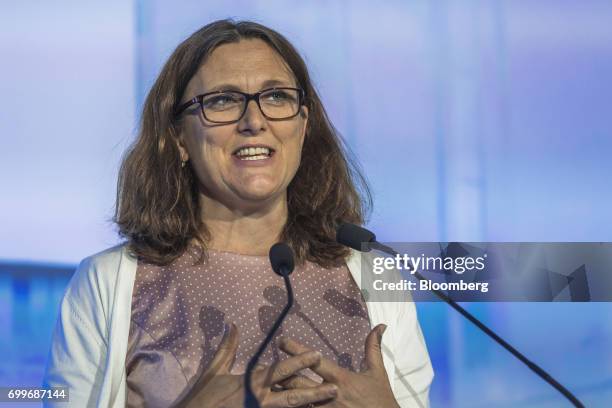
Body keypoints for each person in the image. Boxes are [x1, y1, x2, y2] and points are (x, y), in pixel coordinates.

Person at [43, 19, 433, 408]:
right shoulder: (108, 282)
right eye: (222, 101)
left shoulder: (373, 277)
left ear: (303, 124)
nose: (254, 122)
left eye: (277, 96)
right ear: (178, 137)